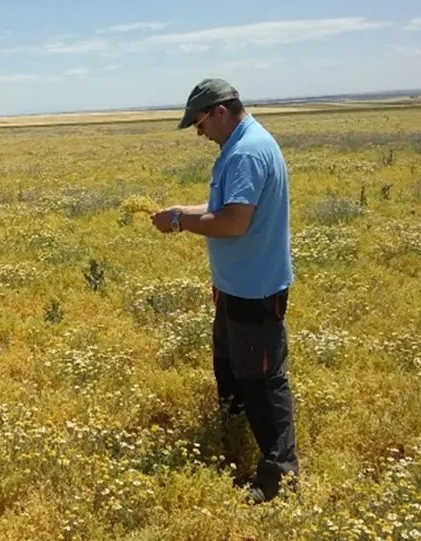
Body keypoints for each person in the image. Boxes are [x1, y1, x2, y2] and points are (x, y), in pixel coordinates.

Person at [149, 78, 298, 504]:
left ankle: (278, 480)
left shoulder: (248, 152)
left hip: (255, 289)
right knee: (233, 372)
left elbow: (234, 223)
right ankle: (232, 439)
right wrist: (180, 212)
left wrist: (180, 222)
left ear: (219, 111)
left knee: (263, 384)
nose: (199, 133)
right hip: (237, 288)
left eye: (199, 123)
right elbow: (220, 210)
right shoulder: (239, 146)